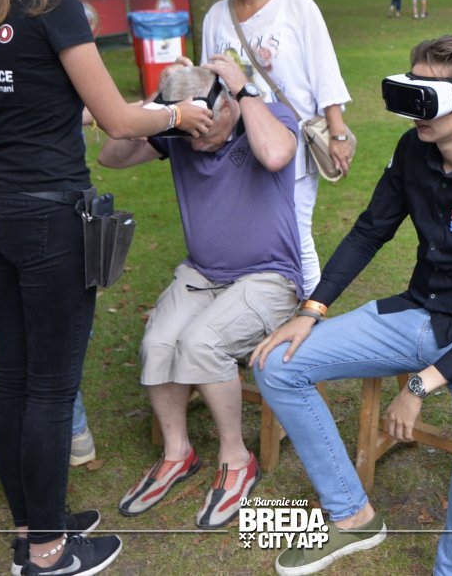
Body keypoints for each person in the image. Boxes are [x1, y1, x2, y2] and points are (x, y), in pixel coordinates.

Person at [0, 0, 212, 576]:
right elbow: (121, 119)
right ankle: (46, 552)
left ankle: (34, 523)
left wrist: (65, 109)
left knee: (12, 375)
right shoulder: (51, 1)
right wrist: (179, 115)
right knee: (49, 386)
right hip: (44, 210)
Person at [252, 35, 452, 576]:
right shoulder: (413, 149)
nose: (416, 110)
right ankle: (353, 516)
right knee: (276, 364)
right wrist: (312, 309)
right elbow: (370, 230)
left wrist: (419, 386)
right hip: (416, 313)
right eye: (412, 89)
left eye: (429, 95)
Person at [101, 60, 303, 529]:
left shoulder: (266, 117)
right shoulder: (178, 130)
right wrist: (158, 110)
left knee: (200, 344)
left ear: (228, 105)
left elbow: (276, 155)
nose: (194, 143)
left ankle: (236, 459)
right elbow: (111, 156)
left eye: (204, 129)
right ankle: (178, 453)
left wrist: (244, 88)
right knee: (157, 343)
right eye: (187, 132)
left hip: (269, 278)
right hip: (202, 274)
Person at [200, 0, 352, 295]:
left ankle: (313, 315)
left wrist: (337, 132)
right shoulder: (216, 15)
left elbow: (324, 69)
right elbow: (210, 83)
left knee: (295, 234)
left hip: (292, 140)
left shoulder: (294, 2)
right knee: (251, 235)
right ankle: (265, 310)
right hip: (240, 146)